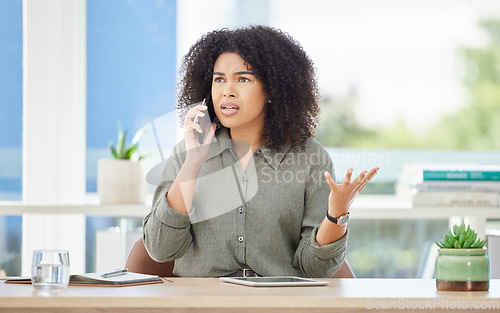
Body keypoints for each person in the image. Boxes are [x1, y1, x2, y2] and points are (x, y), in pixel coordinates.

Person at [142, 25, 378, 278]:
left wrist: (337, 215)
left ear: (272, 90)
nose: (227, 91)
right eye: (219, 79)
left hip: (278, 302)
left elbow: (316, 268)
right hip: (202, 302)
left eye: (243, 79)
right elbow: (160, 249)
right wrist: (194, 162)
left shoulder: (311, 159)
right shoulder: (187, 152)